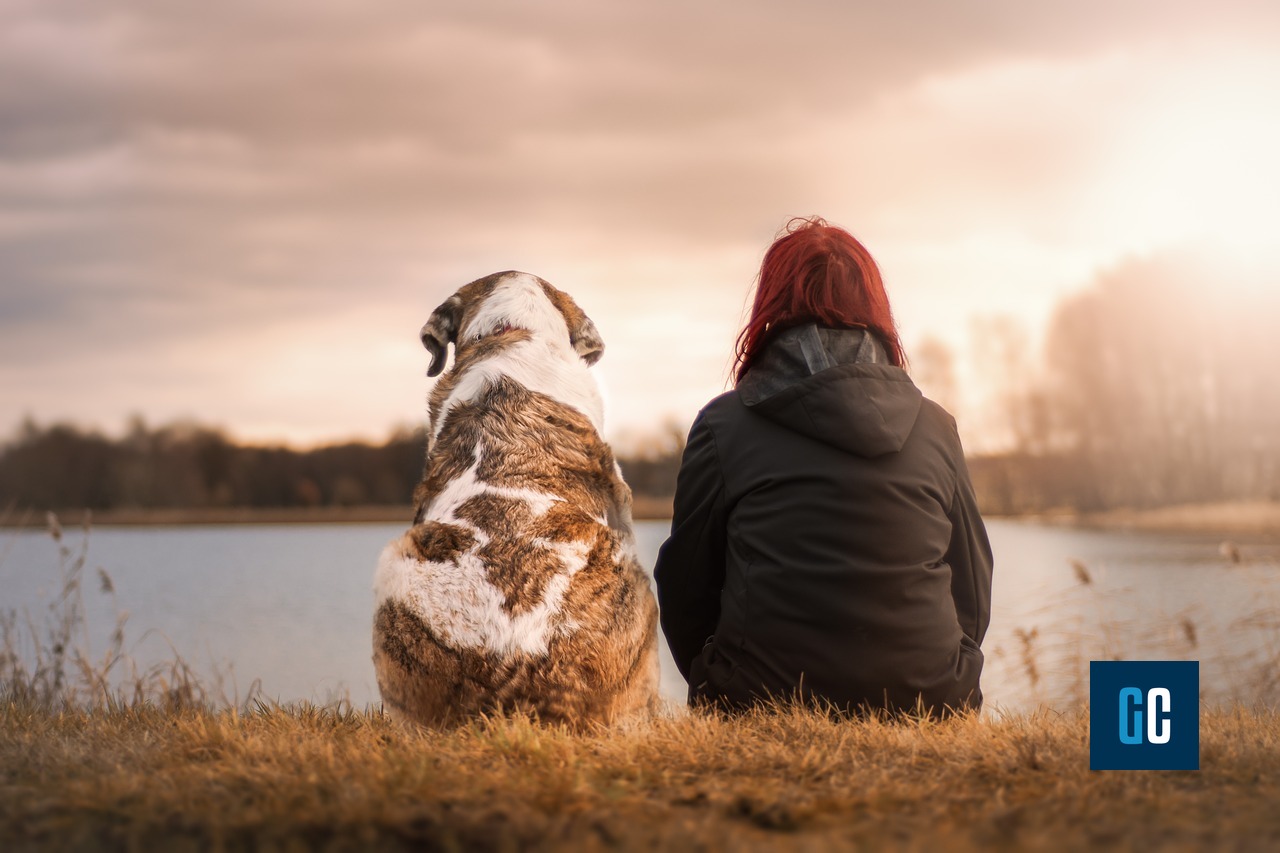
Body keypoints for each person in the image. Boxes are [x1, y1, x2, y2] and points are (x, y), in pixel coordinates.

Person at [653, 217, 993, 717]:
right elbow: (973, 586)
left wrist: (716, 678)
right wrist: (947, 671)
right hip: (931, 701)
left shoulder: (723, 426)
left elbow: (685, 585)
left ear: (771, 306)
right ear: (874, 307)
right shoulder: (936, 427)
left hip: (758, 701)